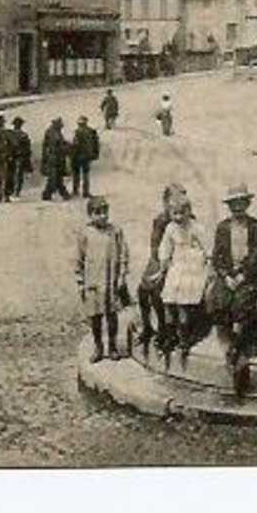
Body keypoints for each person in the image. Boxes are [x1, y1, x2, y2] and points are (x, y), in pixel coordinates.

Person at [209, 183, 257, 395]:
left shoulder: (255, 226)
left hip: (250, 276)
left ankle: (237, 346)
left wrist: (243, 275)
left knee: (243, 302)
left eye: (241, 203)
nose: (237, 208)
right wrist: (226, 276)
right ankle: (229, 342)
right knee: (218, 300)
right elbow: (217, 256)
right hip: (229, 275)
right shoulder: (223, 227)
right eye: (233, 204)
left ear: (247, 204)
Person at [73, 196, 130, 363]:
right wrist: (81, 282)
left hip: (110, 281)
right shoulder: (85, 234)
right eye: (98, 213)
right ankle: (98, 346)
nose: (103, 216)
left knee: (112, 315)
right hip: (93, 283)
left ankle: (112, 346)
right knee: (95, 317)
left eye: (105, 212)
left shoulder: (115, 231)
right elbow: (79, 259)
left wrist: (121, 276)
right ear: (90, 215)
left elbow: (123, 254)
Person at [157, 197, 213, 366]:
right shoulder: (171, 228)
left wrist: (209, 265)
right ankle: (169, 334)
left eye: (182, 213)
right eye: (175, 213)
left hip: (192, 267)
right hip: (177, 265)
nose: (179, 217)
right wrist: (163, 265)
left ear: (189, 211)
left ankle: (184, 337)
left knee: (183, 303)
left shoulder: (196, 228)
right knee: (168, 300)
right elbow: (165, 248)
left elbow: (208, 248)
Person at [136, 183, 185, 356]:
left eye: (182, 197)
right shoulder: (160, 220)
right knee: (142, 290)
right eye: (173, 199)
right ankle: (147, 327)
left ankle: (164, 328)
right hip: (161, 260)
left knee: (158, 293)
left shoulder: (187, 218)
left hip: (180, 261)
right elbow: (155, 247)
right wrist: (160, 266)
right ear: (165, 202)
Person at [39, 118, 71, 201]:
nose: (61, 126)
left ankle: (60, 193)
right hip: (53, 159)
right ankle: (49, 194)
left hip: (57, 158)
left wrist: (67, 145)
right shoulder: (52, 132)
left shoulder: (56, 132)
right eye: (60, 125)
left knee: (57, 177)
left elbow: (60, 143)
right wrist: (66, 148)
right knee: (54, 178)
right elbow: (56, 146)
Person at [70, 116, 100, 196]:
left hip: (78, 157)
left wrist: (72, 154)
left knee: (76, 175)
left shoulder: (78, 132)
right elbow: (96, 144)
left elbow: (75, 145)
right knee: (85, 175)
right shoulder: (92, 131)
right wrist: (95, 154)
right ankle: (85, 192)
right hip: (87, 157)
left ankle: (75, 191)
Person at [7, 116, 33, 200]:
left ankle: (11, 191)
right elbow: (27, 149)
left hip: (12, 157)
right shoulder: (23, 135)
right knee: (18, 175)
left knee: (12, 174)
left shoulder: (9, 134)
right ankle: (16, 191)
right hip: (19, 157)